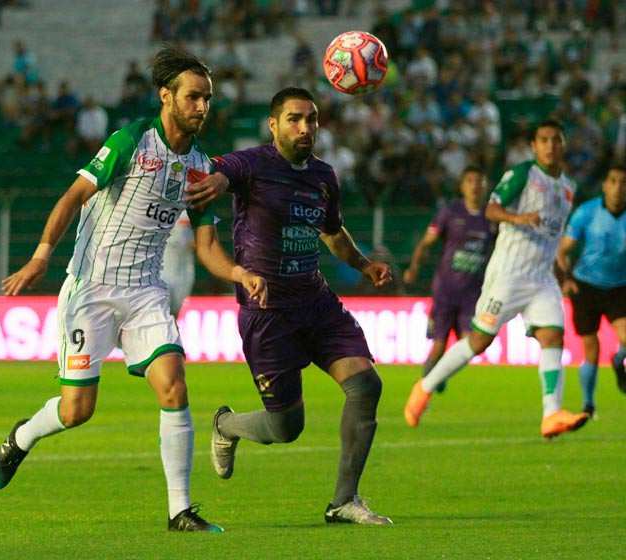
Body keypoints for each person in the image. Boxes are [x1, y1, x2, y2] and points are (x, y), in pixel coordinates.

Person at [0, 46, 267, 533]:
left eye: (207, 99)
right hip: (91, 289)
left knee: (174, 384)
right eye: (193, 97)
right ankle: (21, 438)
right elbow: (74, 195)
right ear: (166, 96)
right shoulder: (132, 140)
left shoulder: (202, 167)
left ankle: (179, 510)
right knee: (77, 410)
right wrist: (40, 256)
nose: (202, 107)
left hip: (145, 292)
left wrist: (238, 273)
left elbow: (207, 246)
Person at [186, 87, 395, 525]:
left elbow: (333, 233)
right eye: (295, 119)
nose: (305, 128)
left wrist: (363, 265)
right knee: (286, 427)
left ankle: (344, 501)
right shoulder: (253, 164)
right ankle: (226, 426)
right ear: (274, 124)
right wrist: (216, 182)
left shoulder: (323, 176)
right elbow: (221, 173)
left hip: (316, 301)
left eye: (312, 119)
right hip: (268, 313)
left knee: (366, 386)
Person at [404, 120, 590, 439]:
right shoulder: (523, 175)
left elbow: (553, 236)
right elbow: (491, 210)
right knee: (479, 341)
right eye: (543, 140)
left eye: (556, 140)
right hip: (509, 274)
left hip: (542, 276)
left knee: (553, 337)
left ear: (564, 145)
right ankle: (424, 387)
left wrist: (564, 275)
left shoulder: (568, 188)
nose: (550, 146)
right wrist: (519, 218)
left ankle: (551, 413)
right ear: (534, 146)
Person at [403, 166, 496, 393]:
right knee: (439, 346)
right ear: (462, 186)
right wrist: (414, 266)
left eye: (479, 181)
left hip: (473, 293)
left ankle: (438, 375)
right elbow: (427, 242)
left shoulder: (492, 217)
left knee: (471, 344)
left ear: (485, 187)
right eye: (470, 181)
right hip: (446, 291)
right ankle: (425, 386)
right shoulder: (450, 212)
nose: (475, 185)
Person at [556, 165, 626, 416]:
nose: (618, 187)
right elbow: (562, 251)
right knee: (591, 348)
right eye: (614, 181)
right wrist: (565, 279)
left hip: (619, 286)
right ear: (605, 185)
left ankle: (619, 361)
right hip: (585, 286)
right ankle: (588, 404)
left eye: (623, 182)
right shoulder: (586, 213)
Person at [161, 213, 195, 317]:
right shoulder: (162, 205)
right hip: (164, 265)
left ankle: (173, 331)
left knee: (177, 309)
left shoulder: (196, 205)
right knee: (162, 309)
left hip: (184, 268)